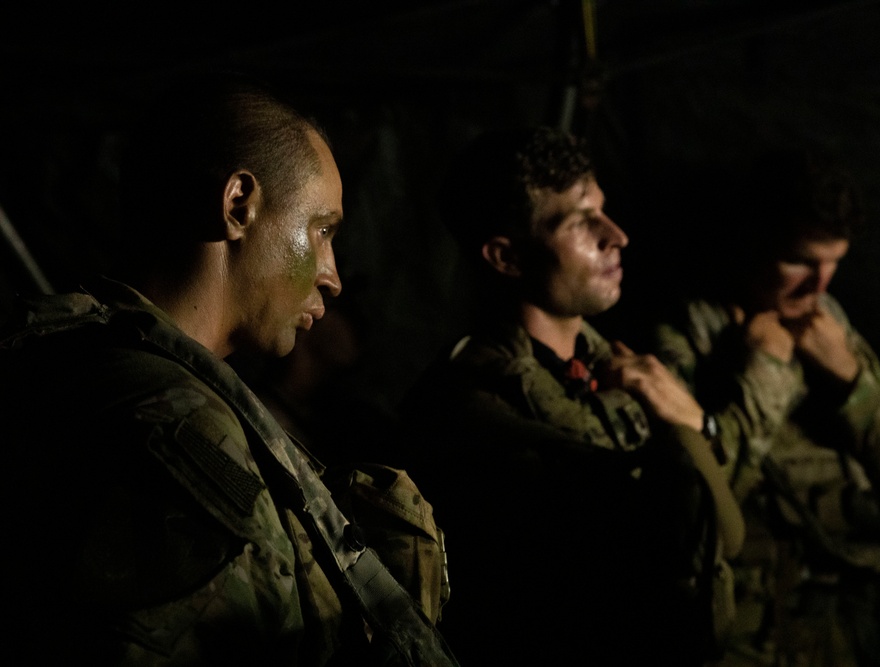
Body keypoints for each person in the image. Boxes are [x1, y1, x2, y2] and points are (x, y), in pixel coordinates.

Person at [0, 74, 456, 666]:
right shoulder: (180, 427)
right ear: (238, 204)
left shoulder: (72, 366)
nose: (333, 275)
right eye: (321, 230)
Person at [396, 126, 744, 666]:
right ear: (506, 257)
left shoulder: (618, 371)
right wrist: (689, 428)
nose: (617, 236)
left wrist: (691, 421)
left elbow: (719, 539)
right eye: (581, 222)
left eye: (603, 211)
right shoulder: (473, 410)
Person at [642, 149, 880, 667]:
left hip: (845, 633)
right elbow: (701, 503)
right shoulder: (690, 334)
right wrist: (767, 372)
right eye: (801, 260)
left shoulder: (829, 328)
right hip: (745, 637)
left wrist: (852, 381)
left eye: (834, 264)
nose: (819, 285)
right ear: (754, 241)